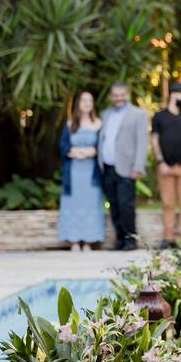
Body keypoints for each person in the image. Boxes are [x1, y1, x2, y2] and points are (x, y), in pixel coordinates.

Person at [97, 82, 149, 251]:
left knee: (126, 205)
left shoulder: (138, 115)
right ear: (111, 96)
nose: (118, 98)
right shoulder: (105, 114)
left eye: (122, 95)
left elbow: (142, 143)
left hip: (128, 168)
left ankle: (130, 240)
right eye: (115, 95)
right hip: (107, 166)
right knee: (114, 205)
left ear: (127, 95)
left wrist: (138, 167)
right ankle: (119, 240)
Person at [58, 92, 105, 251]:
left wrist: (93, 152)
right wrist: (74, 152)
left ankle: (89, 241)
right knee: (73, 205)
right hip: (74, 172)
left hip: (91, 173)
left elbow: (102, 146)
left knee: (91, 204)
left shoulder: (98, 124)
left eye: (90, 100)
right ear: (78, 103)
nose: (87, 103)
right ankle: (74, 241)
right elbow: (63, 146)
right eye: (84, 100)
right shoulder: (70, 123)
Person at [152, 82, 181, 248]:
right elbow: (155, 140)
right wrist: (160, 161)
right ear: (172, 94)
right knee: (168, 203)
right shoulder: (159, 116)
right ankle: (168, 238)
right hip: (166, 167)